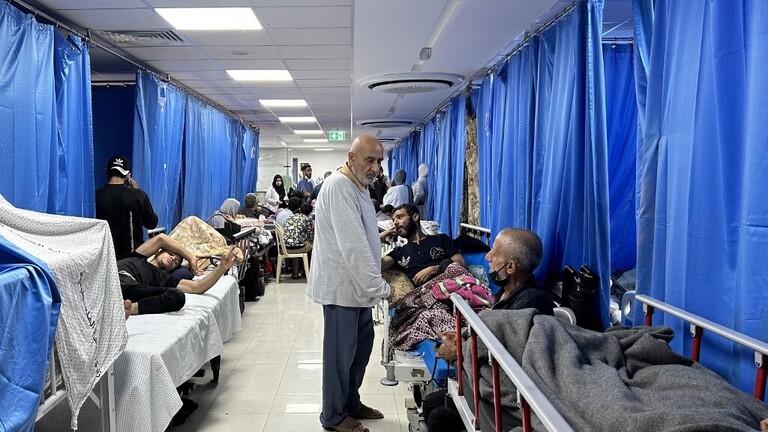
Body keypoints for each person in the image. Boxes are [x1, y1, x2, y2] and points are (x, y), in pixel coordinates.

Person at [423, 228, 554, 432]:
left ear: (510, 267)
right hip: (487, 381)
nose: (488, 257)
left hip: (513, 398)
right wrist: (463, 338)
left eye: (494, 252)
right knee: (431, 402)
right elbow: (491, 335)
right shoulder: (504, 293)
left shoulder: (530, 305)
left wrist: (459, 352)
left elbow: (509, 361)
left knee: (439, 417)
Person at [308, 135, 392, 432]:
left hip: (359, 289)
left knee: (359, 352)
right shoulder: (339, 187)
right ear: (351, 157)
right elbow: (353, 247)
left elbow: (364, 236)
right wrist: (383, 289)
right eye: (369, 160)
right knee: (339, 358)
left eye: (379, 161)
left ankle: (351, 404)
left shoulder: (360, 187)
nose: (375, 168)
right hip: (341, 290)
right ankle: (333, 416)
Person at [120, 233, 237, 316]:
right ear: (157, 252)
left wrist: (222, 268)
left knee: (177, 296)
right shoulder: (138, 257)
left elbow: (197, 287)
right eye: (170, 254)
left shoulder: (164, 278)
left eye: (176, 262)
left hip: (130, 289)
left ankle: (129, 309)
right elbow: (161, 238)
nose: (172, 259)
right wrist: (191, 258)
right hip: (114, 276)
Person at [381, 204, 465, 286]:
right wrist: (379, 237)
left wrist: (434, 269)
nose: (395, 223)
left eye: (400, 217)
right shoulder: (398, 252)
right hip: (422, 292)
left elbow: (460, 264)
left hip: (450, 286)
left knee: (446, 262)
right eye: (393, 220)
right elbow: (376, 268)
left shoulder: (441, 239)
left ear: (415, 217)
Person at [96, 155, 159, 260]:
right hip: (133, 259)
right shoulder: (138, 195)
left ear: (106, 171)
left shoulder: (96, 196)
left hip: (105, 258)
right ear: (128, 175)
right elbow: (152, 223)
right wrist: (136, 191)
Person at [284, 203, 314, 279]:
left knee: (295, 242)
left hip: (285, 247)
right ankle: (309, 271)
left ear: (300, 210)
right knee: (311, 245)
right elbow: (310, 237)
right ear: (310, 213)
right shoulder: (307, 220)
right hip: (298, 248)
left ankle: (295, 272)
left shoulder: (291, 217)